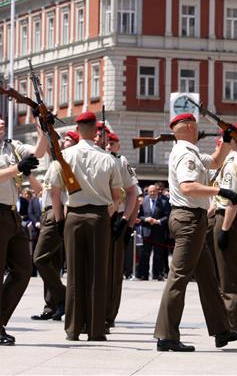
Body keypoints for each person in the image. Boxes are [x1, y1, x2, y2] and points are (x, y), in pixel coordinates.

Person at [153, 112, 237, 352]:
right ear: (190, 127)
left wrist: (226, 141)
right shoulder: (185, 153)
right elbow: (189, 186)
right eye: (196, 126)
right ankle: (166, 335)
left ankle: (222, 330)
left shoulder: (189, 151)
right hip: (188, 220)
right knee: (179, 276)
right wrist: (221, 192)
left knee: (207, 277)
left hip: (194, 220)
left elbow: (214, 161)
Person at [0, 108, 47, 346]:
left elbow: (40, 152)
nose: (1, 121)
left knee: (23, 270)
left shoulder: (11, 146)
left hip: (12, 214)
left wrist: (41, 125)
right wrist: (18, 169)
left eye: (0, 119)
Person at [48, 111, 123, 342]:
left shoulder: (64, 156)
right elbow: (117, 195)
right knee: (98, 274)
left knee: (74, 273)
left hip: (74, 216)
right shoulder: (108, 158)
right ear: (95, 131)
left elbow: (55, 190)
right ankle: (96, 329)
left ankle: (73, 327)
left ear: (78, 130)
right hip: (99, 216)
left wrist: (60, 220)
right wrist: (105, 214)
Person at [30, 131, 78, 322]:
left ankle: (64, 297)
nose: (62, 143)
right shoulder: (56, 163)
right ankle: (52, 305)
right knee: (51, 262)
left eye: (67, 140)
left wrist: (59, 219)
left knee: (40, 258)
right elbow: (43, 191)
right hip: (47, 213)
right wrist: (42, 125)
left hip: (57, 213)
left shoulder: (69, 163)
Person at [207, 124, 237, 334]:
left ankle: (233, 324)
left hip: (228, 219)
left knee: (228, 275)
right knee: (223, 273)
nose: (219, 143)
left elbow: (232, 200)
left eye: (223, 139)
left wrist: (224, 229)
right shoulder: (229, 162)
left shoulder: (232, 164)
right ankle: (228, 321)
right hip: (223, 217)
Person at [104, 132, 141, 331]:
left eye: (113, 143)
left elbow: (134, 194)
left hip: (116, 218)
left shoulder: (121, 161)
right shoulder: (97, 157)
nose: (109, 146)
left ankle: (108, 315)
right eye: (106, 142)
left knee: (113, 269)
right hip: (98, 216)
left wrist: (128, 223)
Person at [137, 183, 170, 280]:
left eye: (154, 191)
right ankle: (144, 274)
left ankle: (157, 274)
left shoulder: (164, 201)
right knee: (145, 254)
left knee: (158, 254)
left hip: (158, 231)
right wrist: (146, 219)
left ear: (157, 192)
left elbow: (168, 215)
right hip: (147, 231)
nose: (152, 193)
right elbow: (139, 216)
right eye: (150, 191)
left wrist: (158, 221)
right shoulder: (143, 201)